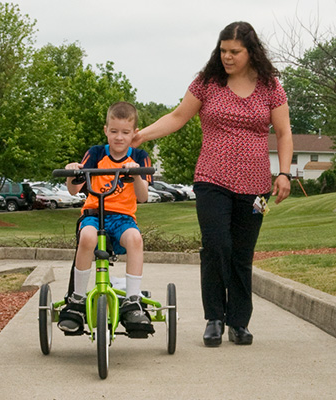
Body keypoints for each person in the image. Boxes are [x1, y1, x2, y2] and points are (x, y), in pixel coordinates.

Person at [133, 21, 293, 347]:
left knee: (241, 253)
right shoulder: (208, 83)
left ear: (251, 52)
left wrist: (285, 173)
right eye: (223, 51)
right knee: (217, 245)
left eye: (235, 51)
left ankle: (239, 322)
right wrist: (141, 134)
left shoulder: (270, 86)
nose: (228, 57)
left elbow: (284, 133)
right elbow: (178, 116)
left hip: (254, 186)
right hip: (212, 179)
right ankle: (214, 319)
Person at [57, 101, 156, 338]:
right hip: (94, 214)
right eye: (114, 131)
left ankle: (132, 301)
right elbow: (74, 189)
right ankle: (77, 300)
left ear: (134, 133)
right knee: (88, 236)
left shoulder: (141, 157)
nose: (119, 137)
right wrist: (72, 173)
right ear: (106, 130)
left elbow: (142, 198)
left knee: (135, 239)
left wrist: (137, 175)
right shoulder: (97, 153)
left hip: (123, 219)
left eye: (125, 132)